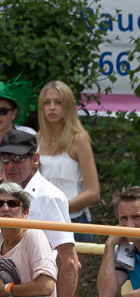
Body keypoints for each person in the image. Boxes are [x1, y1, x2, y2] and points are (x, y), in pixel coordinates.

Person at [0, 129, 80, 297]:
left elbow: (70, 262)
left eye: (17, 158)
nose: (10, 165)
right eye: (4, 157)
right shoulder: (3, 194)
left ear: (35, 159)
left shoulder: (49, 197)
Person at [0, 182, 57, 297]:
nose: (5, 208)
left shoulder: (34, 236)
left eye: (12, 203)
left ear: (25, 212)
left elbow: (46, 286)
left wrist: (6, 290)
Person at [36, 80, 100, 243]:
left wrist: (58, 209)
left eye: (58, 102)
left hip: (73, 221)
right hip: (40, 222)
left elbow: (93, 192)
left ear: (69, 106)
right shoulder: (37, 139)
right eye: (47, 103)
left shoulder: (79, 138)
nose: (52, 107)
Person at [98, 186, 140, 297]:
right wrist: (109, 246)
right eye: (124, 219)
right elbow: (106, 296)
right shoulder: (127, 249)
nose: (129, 225)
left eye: (137, 217)